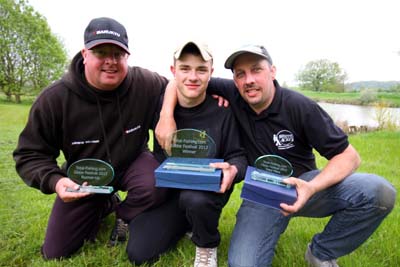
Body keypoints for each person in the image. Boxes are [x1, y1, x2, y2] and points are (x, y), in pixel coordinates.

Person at [155, 44, 396, 267]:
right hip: (259, 196)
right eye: (240, 73)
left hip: (305, 186)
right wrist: (166, 115)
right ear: (235, 80)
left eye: (256, 70)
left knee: (379, 192)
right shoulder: (234, 93)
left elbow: (349, 157)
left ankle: (321, 251)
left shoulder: (299, 106)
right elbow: (178, 80)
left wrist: (310, 188)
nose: (249, 80)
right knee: (243, 264)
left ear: (272, 71)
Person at [13, 17, 170, 259]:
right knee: (56, 252)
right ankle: (103, 202)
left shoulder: (145, 83)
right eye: (101, 52)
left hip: (133, 163)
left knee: (154, 182)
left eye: (118, 54)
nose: (110, 61)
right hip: (85, 176)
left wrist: (217, 95)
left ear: (127, 56)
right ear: (85, 54)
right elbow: (29, 154)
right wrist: (56, 181)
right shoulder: (55, 99)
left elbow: (179, 87)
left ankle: (124, 214)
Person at [125, 41, 247, 267]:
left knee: (195, 199)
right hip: (171, 191)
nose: (193, 76)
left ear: (211, 73)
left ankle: (207, 244)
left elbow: (238, 155)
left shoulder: (223, 110)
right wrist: (166, 114)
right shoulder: (159, 109)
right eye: (185, 69)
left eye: (201, 69)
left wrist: (233, 169)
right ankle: (187, 224)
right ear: (173, 72)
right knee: (139, 253)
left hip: (206, 191)